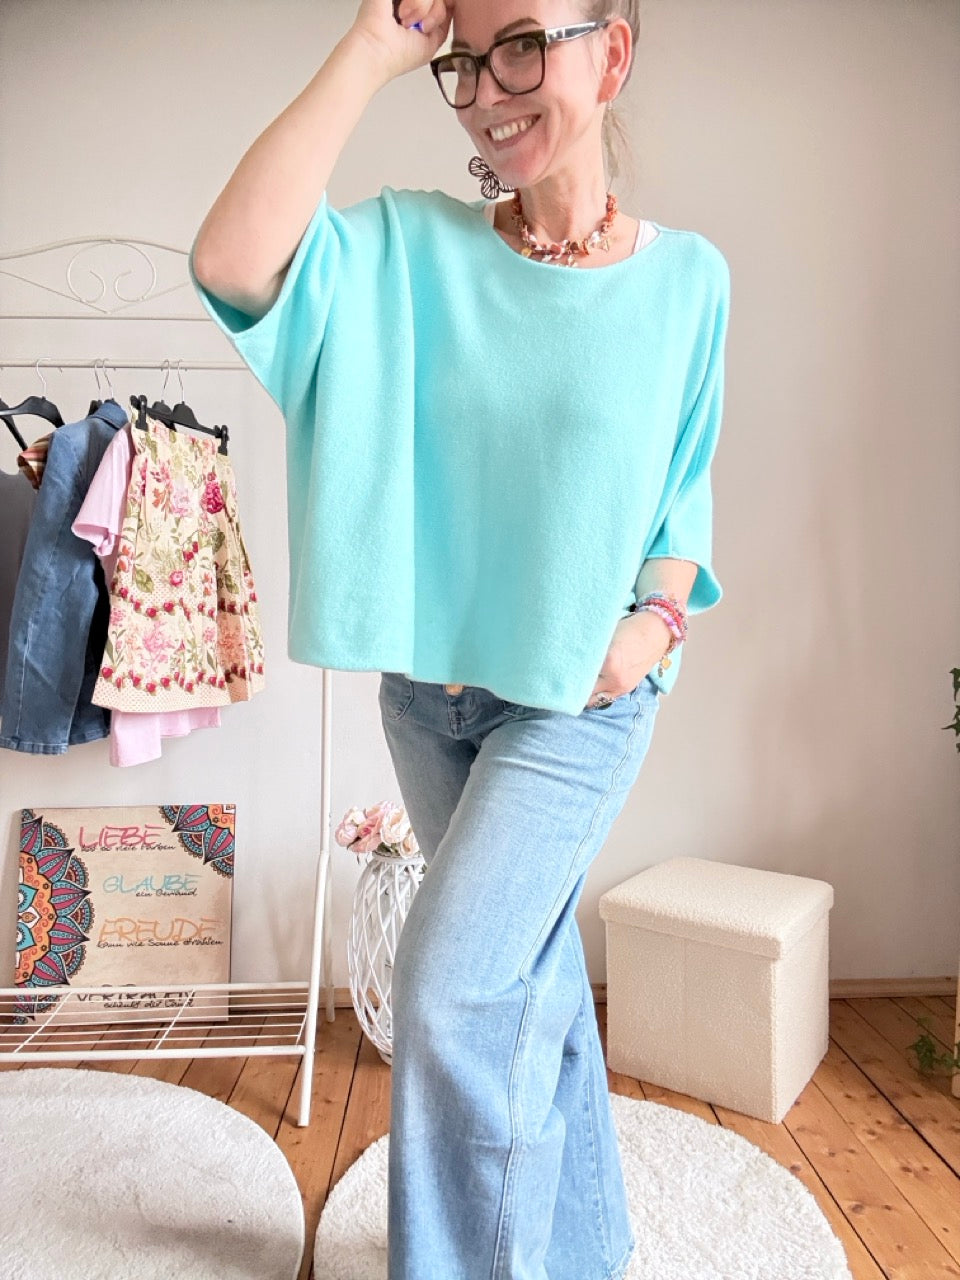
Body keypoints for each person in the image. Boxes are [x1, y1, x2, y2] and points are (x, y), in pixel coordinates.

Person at [189, 2, 731, 1276]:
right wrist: (375, 48)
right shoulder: (407, 252)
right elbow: (231, 260)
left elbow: (683, 493)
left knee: (449, 983)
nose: (490, 90)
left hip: (576, 708)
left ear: (613, 51)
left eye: (524, 44)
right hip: (429, 703)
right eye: (465, 62)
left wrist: (649, 631)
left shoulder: (688, 281)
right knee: (529, 980)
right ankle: (589, 1250)